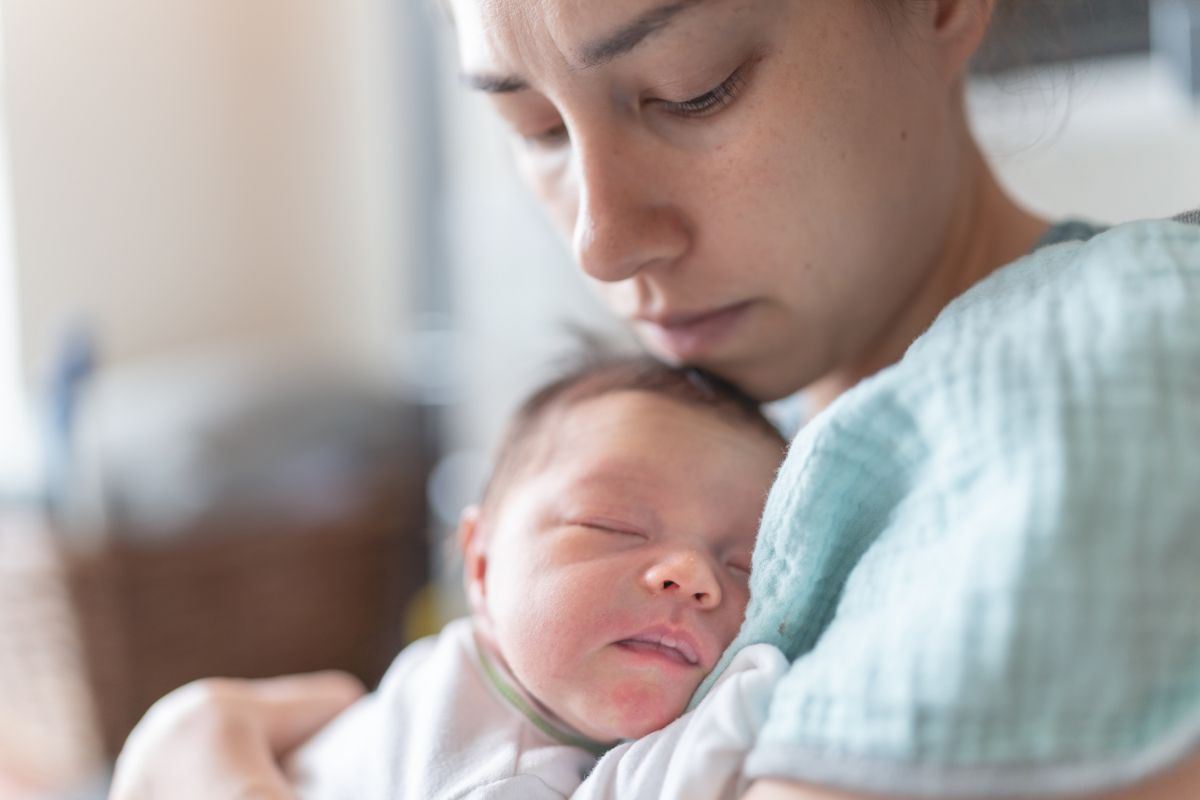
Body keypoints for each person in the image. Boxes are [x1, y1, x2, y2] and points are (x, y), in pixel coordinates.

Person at [110, 1, 1200, 798]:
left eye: (693, 89)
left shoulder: (1116, 344)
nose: (600, 238)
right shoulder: (735, 459)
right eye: (536, 129)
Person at [283, 356, 788, 798]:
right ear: (481, 564)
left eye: (743, 564)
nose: (692, 573)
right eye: (613, 526)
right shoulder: (494, 773)